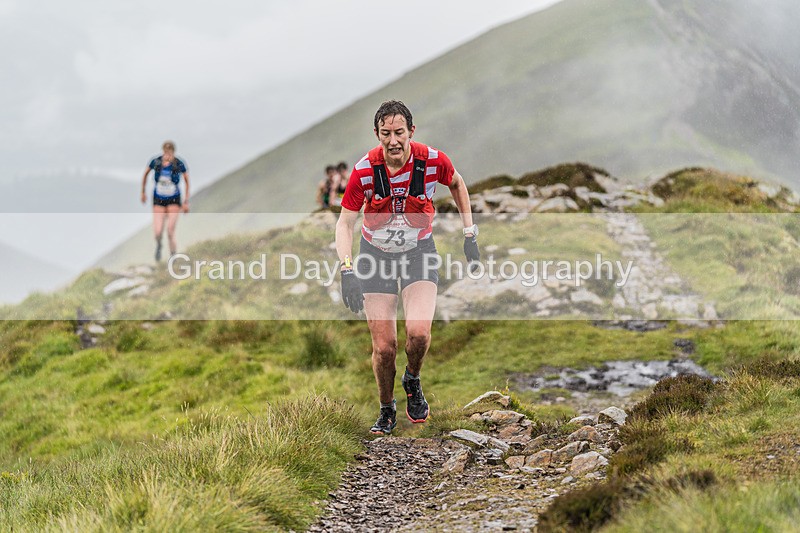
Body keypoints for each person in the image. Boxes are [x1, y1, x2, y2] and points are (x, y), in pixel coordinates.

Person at [335, 100, 480, 435]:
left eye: (399, 132)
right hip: (376, 256)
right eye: (385, 134)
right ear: (377, 135)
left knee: (419, 334)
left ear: (411, 132)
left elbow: (457, 184)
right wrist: (347, 269)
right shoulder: (363, 172)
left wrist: (469, 232)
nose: (393, 140)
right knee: (384, 349)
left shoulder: (432, 161)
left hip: (419, 253)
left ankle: (412, 379)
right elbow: (344, 224)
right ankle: (387, 408)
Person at [140, 141, 190, 261]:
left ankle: (173, 256)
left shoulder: (179, 163)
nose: (167, 155)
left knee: (170, 231)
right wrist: (143, 192)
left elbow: (187, 181)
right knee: (157, 231)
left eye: (170, 152)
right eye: (165, 152)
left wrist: (186, 201)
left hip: (174, 200)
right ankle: (159, 245)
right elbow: (145, 174)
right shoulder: (156, 162)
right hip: (159, 200)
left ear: (173, 152)